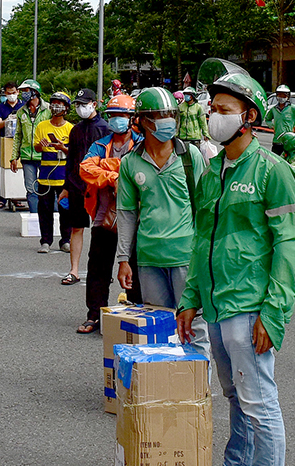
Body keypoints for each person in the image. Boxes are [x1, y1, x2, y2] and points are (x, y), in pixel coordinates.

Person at [175, 64, 295, 466]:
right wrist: (190, 297)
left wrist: (274, 313)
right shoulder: (214, 170)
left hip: (249, 305)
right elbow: (201, 238)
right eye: (211, 108)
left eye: (223, 109)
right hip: (214, 302)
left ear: (249, 115)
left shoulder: (273, 171)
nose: (213, 115)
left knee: (259, 401)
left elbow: (290, 246)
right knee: (235, 395)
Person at [115, 87, 208, 349]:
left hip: (186, 257)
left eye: (170, 114)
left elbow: (204, 209)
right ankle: (167, 387)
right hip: (148, 259)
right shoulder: (131, 163)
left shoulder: (191, 157)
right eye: (159, 115)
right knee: (159, 330)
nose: (167, 120)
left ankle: (199, 388)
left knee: (195, 327)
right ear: (142, 121)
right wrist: (123, 259)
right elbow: (127, 213)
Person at [75, 94, 139, 334]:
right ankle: (94, 315)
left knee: (135, 268)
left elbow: (135, 171)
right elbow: (85, 169)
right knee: (98, 269)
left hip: (135, 220)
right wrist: (114, 175)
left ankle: (136, 313)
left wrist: (108, 165)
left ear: (132, 118)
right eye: (113, 115)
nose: (116, 120)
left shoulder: (141, 144)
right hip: (104, 219)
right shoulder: (100, 144)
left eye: (121, 115)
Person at [63, 88, 106, 291]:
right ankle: (74, 270)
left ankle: (102, 271)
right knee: (77, 228)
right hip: (77, 186)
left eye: (84, 104)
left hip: (99, 187)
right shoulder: (76, 130)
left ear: (94, 104)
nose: (81, 108)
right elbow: (70, 160)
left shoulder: (105, 128)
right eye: (78, 104)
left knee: (101, 232)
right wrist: (66, 186)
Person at [35, 92, 73, 260]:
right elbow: (36, 148)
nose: (56, 106)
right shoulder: (42, 126)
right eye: (53, 103)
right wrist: (41, 145)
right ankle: (45, 241)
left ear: (66, 108)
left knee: (66, 209)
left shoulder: (71, 128)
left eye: (60, 103)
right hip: (45, 176)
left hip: (63, 175)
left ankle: (65, 240)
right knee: (44, 210)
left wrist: (62, 147)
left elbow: (74, 152)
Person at [14, 81, 44, 217]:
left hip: (45, 156)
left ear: (34, 91)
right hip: (27, 156)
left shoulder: (48, 110)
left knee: (48, 188)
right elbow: (18, 136)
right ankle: (34, 217)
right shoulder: (21, 112)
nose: (22, 94)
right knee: (31, 189)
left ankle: (53, 218)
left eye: (25, 90)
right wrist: (14, 157)